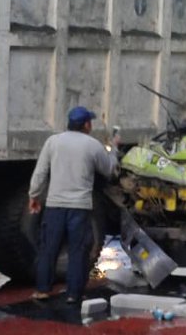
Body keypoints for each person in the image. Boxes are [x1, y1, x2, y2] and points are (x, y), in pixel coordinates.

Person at [28, 106, 120, 304]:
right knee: (78, 251)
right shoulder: (92, 145)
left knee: (48, 249)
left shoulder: (53, 142)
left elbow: (40, 172)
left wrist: (34, 196)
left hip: (54, 206)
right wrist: (114, 149)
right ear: (86, 124)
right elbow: (109, 170)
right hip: (80, 208)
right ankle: (73, 294)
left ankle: (43, 290)